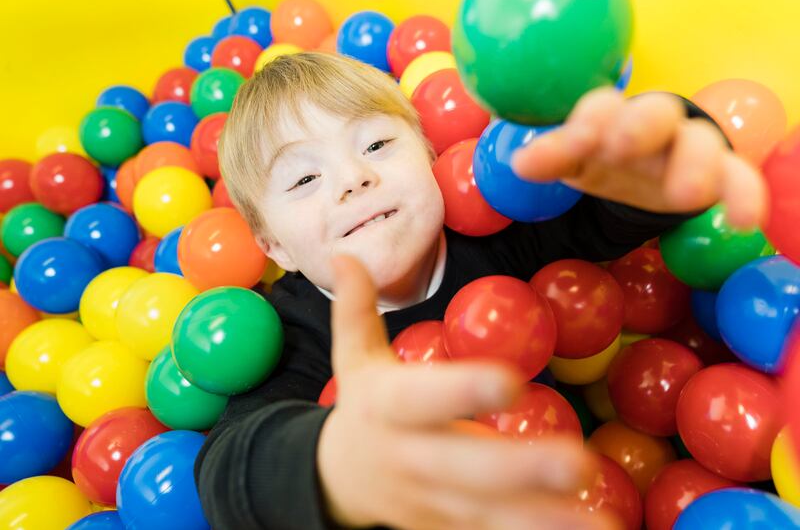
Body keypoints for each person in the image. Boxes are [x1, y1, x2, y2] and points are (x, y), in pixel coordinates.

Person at [194, 51, 765, 530]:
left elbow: (605, 215)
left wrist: (649, 159)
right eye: (303, 179)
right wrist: (329, 464)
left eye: (375, 146)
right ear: (275, 250)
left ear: (432, 156)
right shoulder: (292, 334)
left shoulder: (496, 233)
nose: (352, 179)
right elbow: (225, 466)